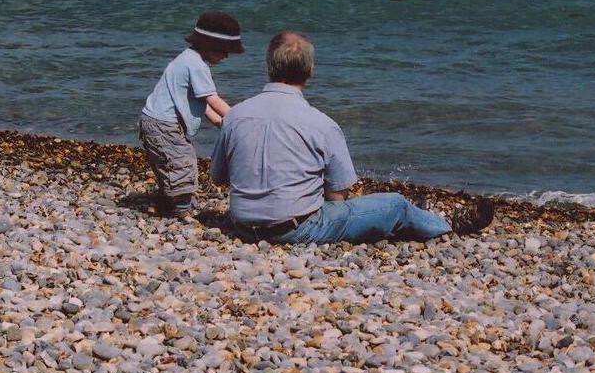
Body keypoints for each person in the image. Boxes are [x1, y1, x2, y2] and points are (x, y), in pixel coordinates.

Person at [210, 31, 494, 244]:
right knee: (394, 204)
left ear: (269, 66)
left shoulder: (236, 115)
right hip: (295, 229)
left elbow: (219, 177)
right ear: (309, 73)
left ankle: (419, 218)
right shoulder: (322, 124)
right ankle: (446, 227)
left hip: (243, 225)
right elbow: (337, 195)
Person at [140, 10, 243, 217]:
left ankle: (167, 200)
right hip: (164, 125)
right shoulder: (196, 66)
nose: (226, 56)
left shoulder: (187, 59)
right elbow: (212, 99)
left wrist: (218, 121)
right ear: (210, 45)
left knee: (169, 162)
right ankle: (182, 209)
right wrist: (241, 118)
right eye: (224, 50)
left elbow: (196, 101)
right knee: (182, 162)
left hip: (153, 121)